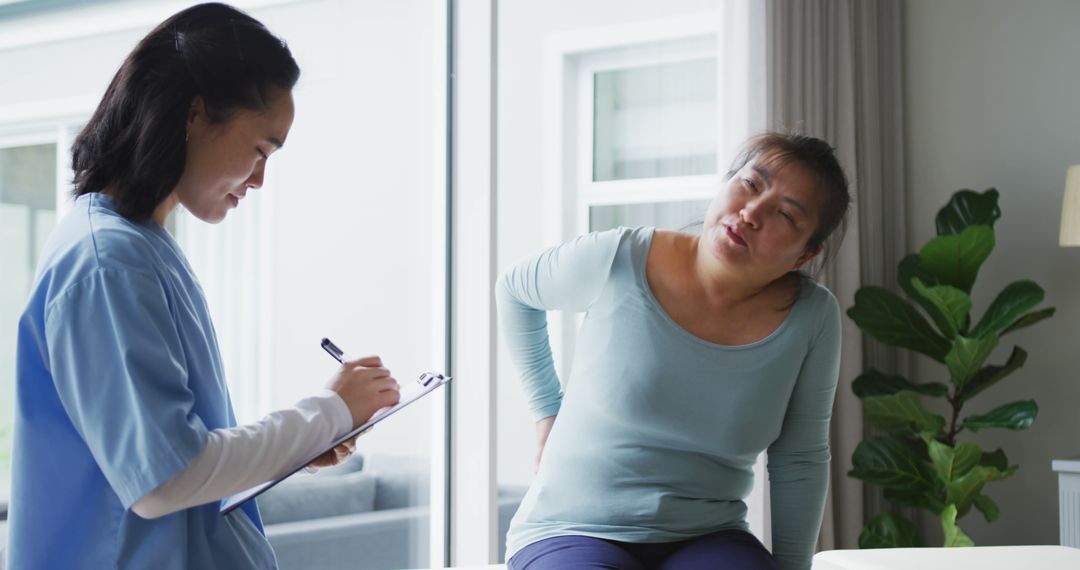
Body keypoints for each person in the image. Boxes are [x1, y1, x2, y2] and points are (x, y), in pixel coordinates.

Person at [7, 4, 400, 568]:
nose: (261, 179)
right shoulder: (108, 262)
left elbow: (179, 460)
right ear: (195, 114)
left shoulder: (140, 247)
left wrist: (300, 444)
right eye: (261, 150)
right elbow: (164, 479)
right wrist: (327, 414)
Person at [497, 132, 850, 570]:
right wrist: (546, 410)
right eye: (751, 184)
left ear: (805, 253)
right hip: (571, 529)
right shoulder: (621, 258)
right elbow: (514, 290)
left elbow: (799, 458)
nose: (751, 212)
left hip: (706, 537)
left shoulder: (812, 317)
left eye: (785, 214)